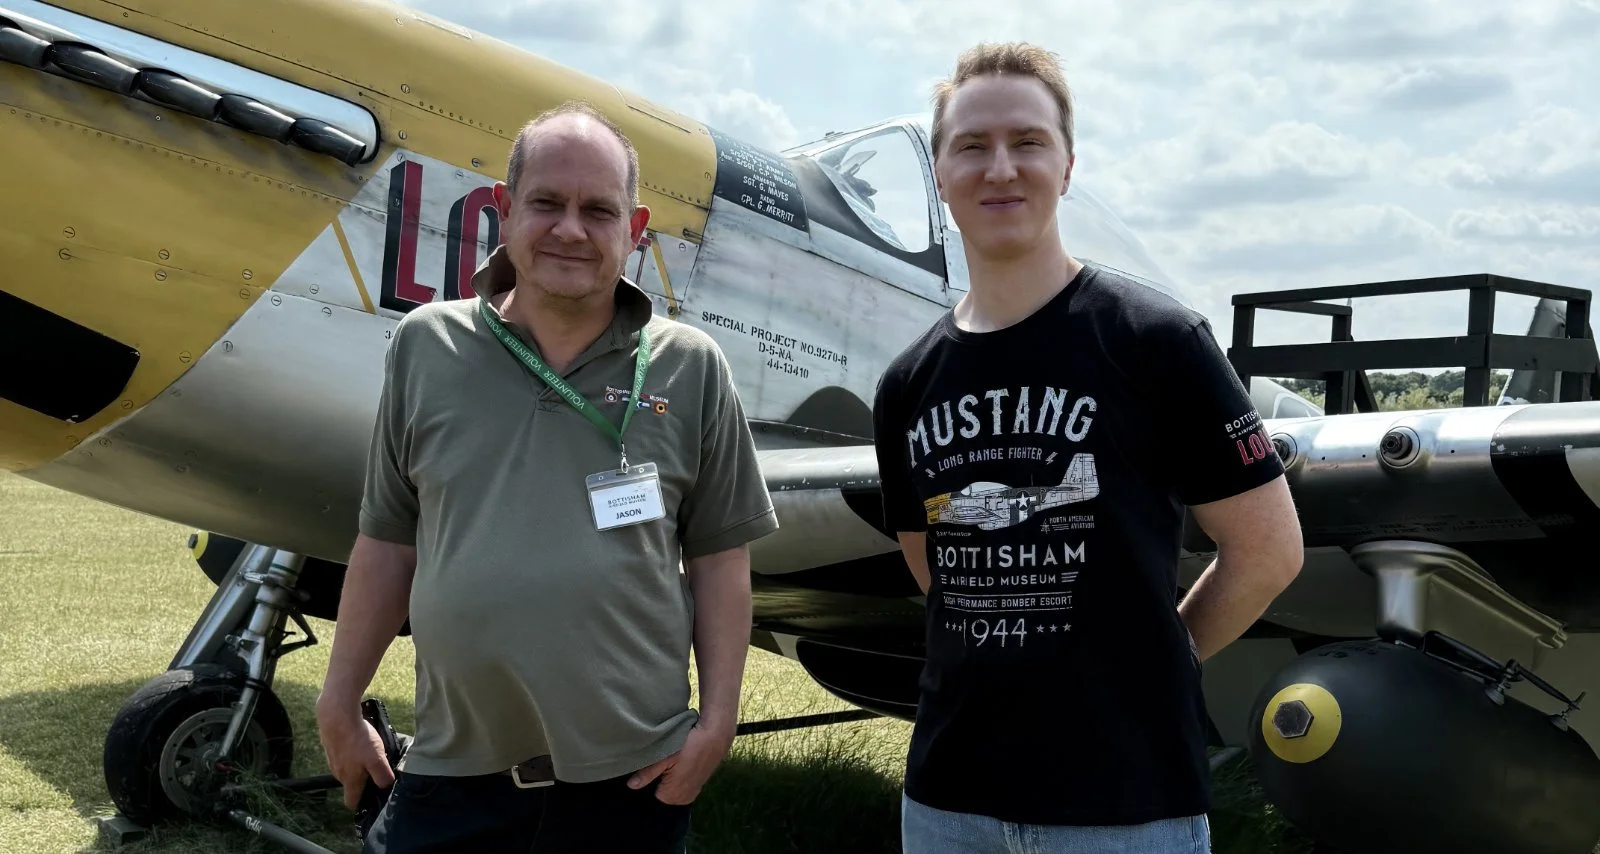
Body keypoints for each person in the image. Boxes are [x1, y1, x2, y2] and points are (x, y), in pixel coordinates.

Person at [871, 42, 1305, 853]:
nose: (1000, 167)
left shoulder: (1159, 340)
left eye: (1027, 142)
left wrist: (1159, 656)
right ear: (939, 174)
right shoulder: (905, 384)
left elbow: (1270, 550)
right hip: (946, 805)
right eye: (971, 145)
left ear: (1067, 166)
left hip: (1127, 806)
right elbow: (937, 569)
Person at [314, 100, 779, 853]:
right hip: (450, 770)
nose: (570, 229)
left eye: (599, 210)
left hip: (633, 780)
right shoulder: (424, 347)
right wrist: (338, 702)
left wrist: (717, 724)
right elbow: (389, 541)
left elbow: (721, 559)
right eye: (547, 203)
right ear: (503, 211)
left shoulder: (691, 366)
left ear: (636, 231)